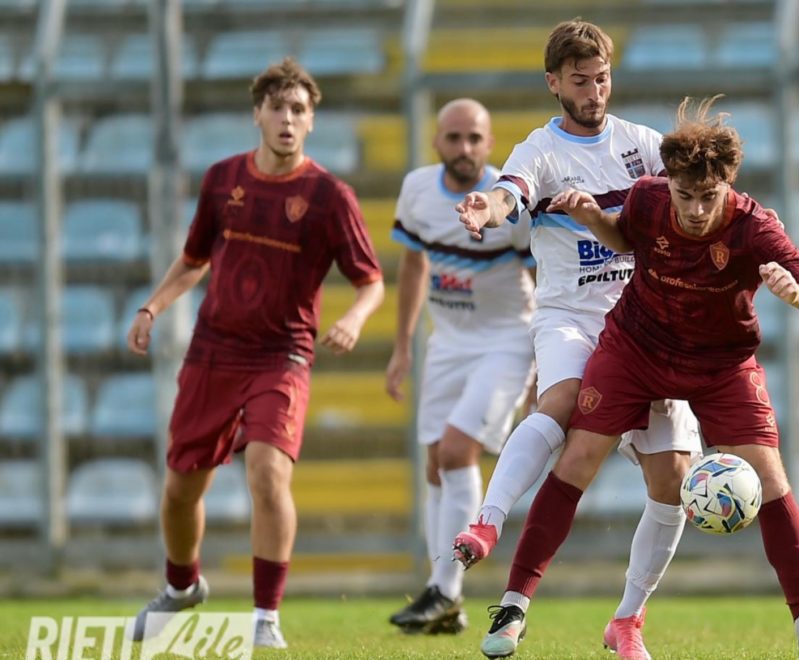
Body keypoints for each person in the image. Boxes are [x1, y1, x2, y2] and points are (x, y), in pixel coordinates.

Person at [489, 96, 799, 659]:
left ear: (727, 186)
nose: (697, 210)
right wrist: (593, 220)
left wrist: (797, 294)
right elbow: (624, 235)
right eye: (686, 195)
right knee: (578, 457)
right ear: (669, 182)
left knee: (770, 478)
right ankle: (513, 606)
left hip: (720, 364)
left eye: (709, 197)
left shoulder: (755, 227)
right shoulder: (648, 197)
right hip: (635, 347)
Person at [454, 19, 701, 660]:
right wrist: (486, 208)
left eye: (602, 79)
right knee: (562, 405)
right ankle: (489, 529)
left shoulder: (642, 144)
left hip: (644, 323)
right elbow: (508, 194)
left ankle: (628, 620)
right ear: (554, 84)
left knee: (674, 479)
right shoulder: (539, 150)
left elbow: (693, 193)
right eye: (581, 81)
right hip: (570, 317)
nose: (595, 92)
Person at [125, 57, 384, 650]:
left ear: (311, 121)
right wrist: (151, 308)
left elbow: (370, 281)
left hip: (282, 355)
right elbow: (193, 260)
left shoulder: (329, 196)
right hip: (213, 351)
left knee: (267, 473)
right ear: (257, 115)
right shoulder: (222, 180)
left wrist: (352, 318)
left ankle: (265, 617)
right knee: (180, 490)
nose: (287, 119)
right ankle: (181, 587)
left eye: (299, 110)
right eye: (277, 108)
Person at [384, 98, 536, 635]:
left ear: (489, 144)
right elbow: (413, 263)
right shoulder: (417, 190)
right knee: (435, 465)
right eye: (454, 137)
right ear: (437, 142)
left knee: (455, 452)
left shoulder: (507, 201)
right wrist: (403, 346)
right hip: (447, 341)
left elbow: (540, 278)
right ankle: (445, 600)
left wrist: (543, 362)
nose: (464, 147)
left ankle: (445, 589)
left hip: (507, 340)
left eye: (474, 138)